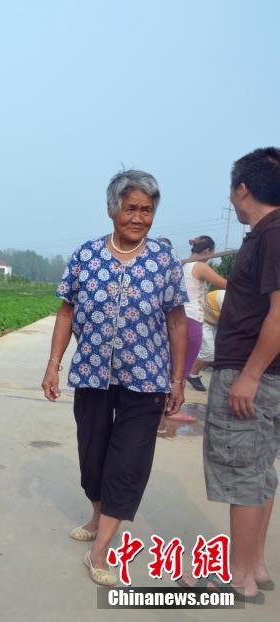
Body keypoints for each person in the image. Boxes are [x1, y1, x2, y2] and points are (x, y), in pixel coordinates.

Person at [40, 169, 187, 586]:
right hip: (91, 374)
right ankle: (96, 511)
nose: (139, 217)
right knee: (94, 454)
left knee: (129, 460)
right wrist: (54, 364)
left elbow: (177, 323)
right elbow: (66, 311)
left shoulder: (163, 260)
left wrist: (177, 380)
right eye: (131, 208)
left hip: (147, 379)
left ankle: (100, 550)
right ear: (112, 209)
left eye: (147, 209)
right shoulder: (86, 255)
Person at [201, 147, 280, 603]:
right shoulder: (266, 234)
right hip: (262, 373)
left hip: (252, 375)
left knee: (243, 473)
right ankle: (255, 566)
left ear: (243, 188)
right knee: (260, 472)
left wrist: (249, 375)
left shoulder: (273, 235)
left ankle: (236, 578)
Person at [181, 236, 228, 392]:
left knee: (179, 363)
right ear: (208, 251)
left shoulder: (183, 264)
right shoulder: (200, 266)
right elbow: (226, 284)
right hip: (192, 317)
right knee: (186, 363)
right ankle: (172, 407)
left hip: (180, 316)